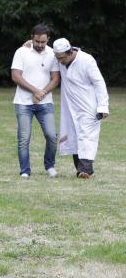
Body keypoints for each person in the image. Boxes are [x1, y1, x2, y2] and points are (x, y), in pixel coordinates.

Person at [53, 38, 109, 179]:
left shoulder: (86, 60)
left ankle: (85, 170)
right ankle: (81, 170)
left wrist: (103, 106)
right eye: (57, 58)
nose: (59, 61)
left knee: (87, 137)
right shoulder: (59, 59)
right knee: (74, 138)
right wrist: (27, 44)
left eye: (62, 58)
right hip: (70, 107)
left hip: (89, 106)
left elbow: (99, 82)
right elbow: (43, 51)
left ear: (70, 52)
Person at [11, 25, 60, 178]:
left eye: (43, 42)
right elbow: (16, 76)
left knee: (52, 136)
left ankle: (49, 165)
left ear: (48, 39)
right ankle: (25, 171)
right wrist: (35, 91)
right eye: (37, 41)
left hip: (45, 103)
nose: (39, 45)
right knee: (24, 139)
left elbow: (56, 78)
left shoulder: (53, 53)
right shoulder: (21, 51)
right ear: (32, 37)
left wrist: (43, 92)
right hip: (23, 103)